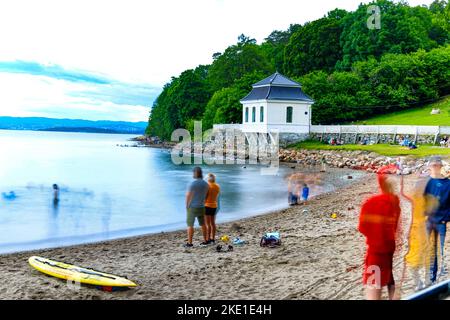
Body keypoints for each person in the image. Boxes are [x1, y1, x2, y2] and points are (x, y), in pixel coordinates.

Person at [358, 169, 401, 300]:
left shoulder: (371, 202)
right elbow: (396, 227)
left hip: (375, 251)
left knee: (373, 283)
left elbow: (362, 227)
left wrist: (374, 236)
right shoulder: (395, 203)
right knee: (390, 278)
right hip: (389, 249)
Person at [424, 156, 450, 284]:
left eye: (436, 165)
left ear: (440, 167)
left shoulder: (448, 183)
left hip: (441, 223)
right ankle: (430, 276)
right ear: (429, 167)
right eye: (432, 165)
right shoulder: (426, 183)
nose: (434, 167)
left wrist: (446, 218)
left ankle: (433, 277)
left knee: (436, 250)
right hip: (428, 222)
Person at [184, 167, 210, 248]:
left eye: (193, 173)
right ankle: (206, 240)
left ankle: (190, 243)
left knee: (190, 225)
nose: (193, 174)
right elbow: (207, 195)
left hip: (192, 207)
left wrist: (187, 206)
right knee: (203, 224)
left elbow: (188, 196)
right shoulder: (206, 184)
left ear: (195, 173)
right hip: (202, 207)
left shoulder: (192, 184)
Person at [204, 173, 220, 244]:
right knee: (213, 223)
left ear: (208, 179)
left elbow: (205, 197)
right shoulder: (217, 186)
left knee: (207, 224)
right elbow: (216, 196)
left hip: (207, 206)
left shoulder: (207, 186)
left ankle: (207, 239)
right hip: (214, 206)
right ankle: (213, 238)